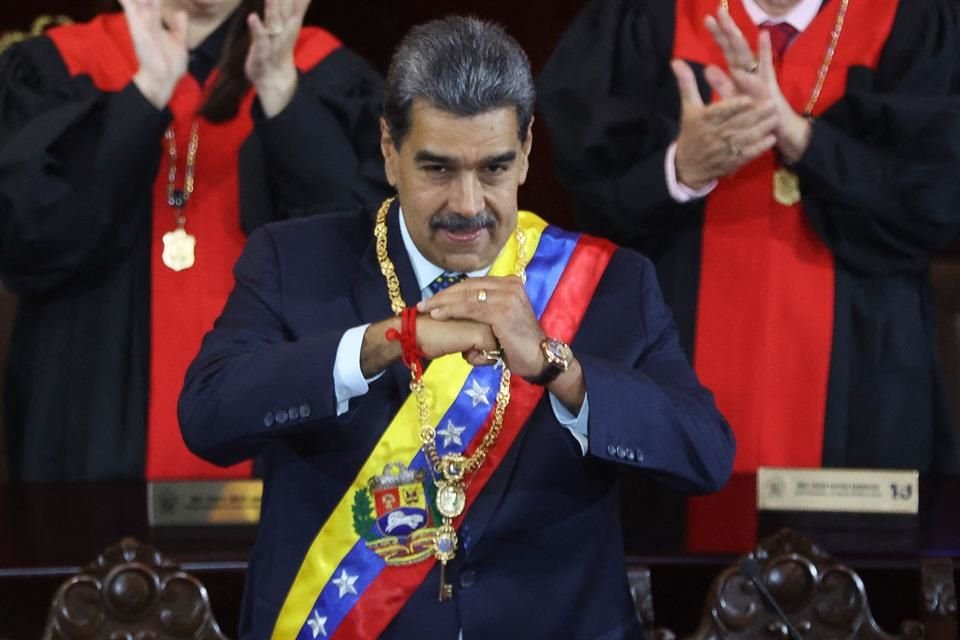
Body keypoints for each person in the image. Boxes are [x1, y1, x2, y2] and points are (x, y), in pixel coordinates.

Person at [179, 16, 734, 638]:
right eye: (438, 170)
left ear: (526, 151)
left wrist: (561, 371)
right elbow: (207, 416)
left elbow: (704, 456)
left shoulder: (613, 283)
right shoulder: (293, 260)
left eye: (494, 169)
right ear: (389, 150)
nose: (468, 206)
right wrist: (387, 340)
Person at [538, 0, 960, 481]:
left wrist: (804, 140)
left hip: (864, 372)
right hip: (674, 340)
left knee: (857, 547)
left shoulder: (913, 22)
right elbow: (583, 186)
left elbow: (938, 200)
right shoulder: (646, 16)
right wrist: (680, 170)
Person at [0, 0, 390, 482]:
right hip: (88, 434)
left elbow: (364, 260)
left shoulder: (322, 71)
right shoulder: (58, 65)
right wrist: (144, 97)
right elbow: (27, 240)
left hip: (278, 463)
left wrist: (281, 91)